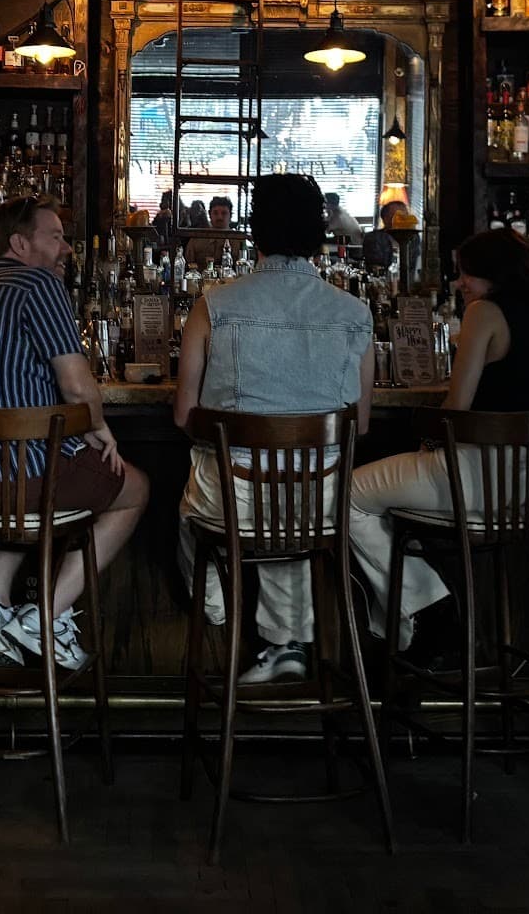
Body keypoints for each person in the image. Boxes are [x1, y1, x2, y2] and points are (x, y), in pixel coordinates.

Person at [173, 174, 375, 684]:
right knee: (289, 502)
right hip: (319, 505)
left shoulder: (213, 305)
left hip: (232, 505)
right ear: (318, 232)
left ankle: (217, 604)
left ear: (253, 231)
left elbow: (183, 416)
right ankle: (285, 642)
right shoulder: (355, 314)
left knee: (232, 499)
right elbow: (362, 422)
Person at [0, 196, 151, 670]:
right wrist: (98, 428)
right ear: (19, 242)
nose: (67, 250)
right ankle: (43, 619)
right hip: (21, 483)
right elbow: (77, 386)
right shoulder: (38, 285)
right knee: (134, 488)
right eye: (55, 237)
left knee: (20, 478)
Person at [348, 229, 529, 655]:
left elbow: (457, 406)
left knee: (348, 495)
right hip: (523, 486)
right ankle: (399, 634)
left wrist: (426, 424)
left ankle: (432, 607)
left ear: (493, 275)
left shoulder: (484, 312)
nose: (460, 283)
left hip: (472, 477)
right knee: (379, 499)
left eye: (468, 275)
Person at [185, 193, 245, 268]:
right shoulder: (197, 238)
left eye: (224, 213)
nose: (219, 217)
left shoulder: (239, 241)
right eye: (215, 213)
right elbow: (187, 266)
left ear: (230, 216)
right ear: (210, 214)